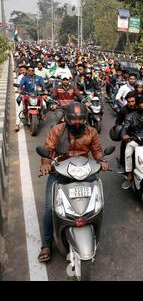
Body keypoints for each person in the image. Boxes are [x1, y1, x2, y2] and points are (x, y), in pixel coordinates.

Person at [37, 102, 109, 263]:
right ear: (67, 118)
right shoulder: (57, 130)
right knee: (50, 208)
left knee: (97, 202)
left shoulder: (91, 131)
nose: (77, 122)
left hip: (84, 171)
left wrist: (102, 160)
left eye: (81, 119)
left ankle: (91, 231)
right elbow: (48, 149)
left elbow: (97, 150)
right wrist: (45, 163)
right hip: (59, 171)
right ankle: (46, 244)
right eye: (73, 119)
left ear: (85, 118)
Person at [14, 65, 28, 132]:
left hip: (33, 94)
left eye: (24, 70)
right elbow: (19, 86)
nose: (23, 71)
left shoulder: (32, 76)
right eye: (21, 70)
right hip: (24, 94)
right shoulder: (20, 77)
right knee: (20, 109)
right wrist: (19, 90)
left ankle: (42, 115)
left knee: (43, 103)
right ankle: (17, 124)